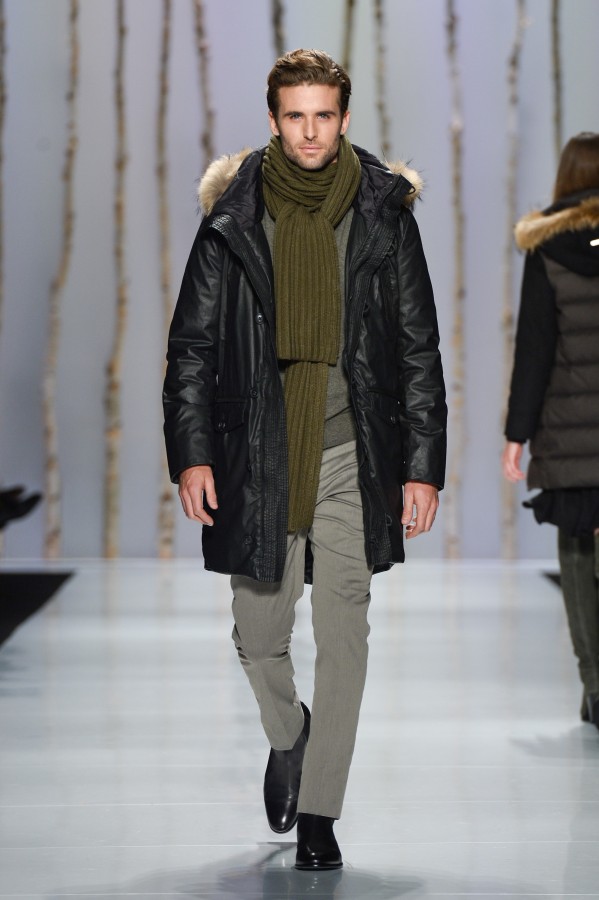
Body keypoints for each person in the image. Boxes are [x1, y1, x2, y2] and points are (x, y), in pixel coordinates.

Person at [163, 49, 446, 869]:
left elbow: (417, 348)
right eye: (295, 116)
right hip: (258, 453)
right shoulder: (233, 216)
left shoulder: (385, 213)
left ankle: (321, 813)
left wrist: (421, 465)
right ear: (274, 119)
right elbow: (191, 347)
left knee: (344, 633)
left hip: (352, 451)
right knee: (259, 637)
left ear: (344, 119)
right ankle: (291, 737)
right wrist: (191, 455)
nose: (310, 131)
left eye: (324, 115)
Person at [503, 132, 599, 732]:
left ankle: (595, 685)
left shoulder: (547, 249)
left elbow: (534, 351)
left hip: (568, 431)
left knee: (577, 552)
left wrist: (517, 434)